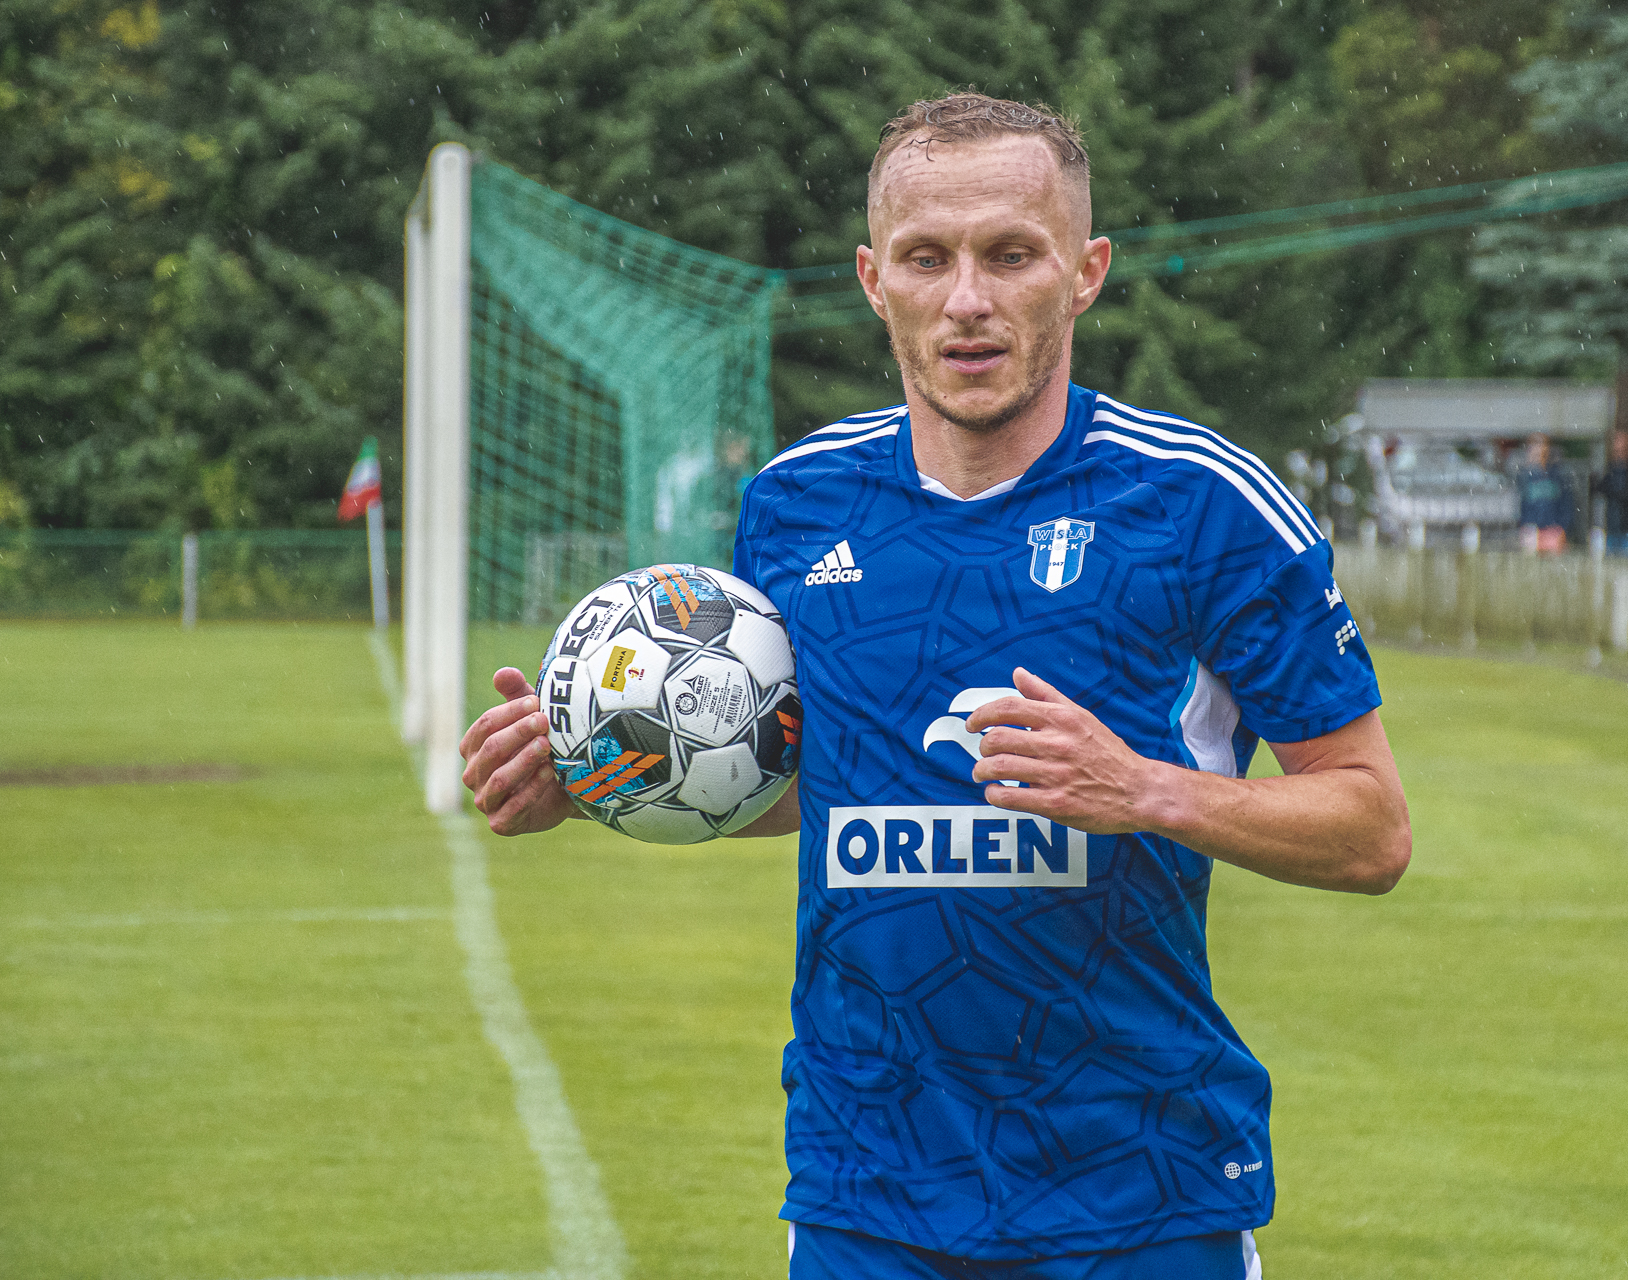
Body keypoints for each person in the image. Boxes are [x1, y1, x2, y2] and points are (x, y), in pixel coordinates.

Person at [459, 93, 1411, 1280]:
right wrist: (612, 773)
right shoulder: (796, 505)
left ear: (1085, 272)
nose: (967, 298)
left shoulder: (1205, 506)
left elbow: (1372, 826)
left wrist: (1146, 789)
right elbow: (821, 786)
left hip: (1142, 1191)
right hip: (866, 1188)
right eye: (926, 257)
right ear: (874, 279)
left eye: (1011, 254)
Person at [1515, 432, 1574, 554]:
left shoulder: (1557, 476)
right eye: (1534, 446)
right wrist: (1525, 527)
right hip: (1530, 530)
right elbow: (1519, 506)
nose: (1538, 450)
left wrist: (1561, 528)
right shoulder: (1523, 477)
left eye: (1541, 446)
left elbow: (1566, 504)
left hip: (1553, 530)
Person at [1594, 428, 1628, 555]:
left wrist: (1612, 491)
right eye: (1617, 450)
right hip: (1612, 528)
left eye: (1622, 449)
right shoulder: (1611, 470)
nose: (1619, 453)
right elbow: (1599, 489)